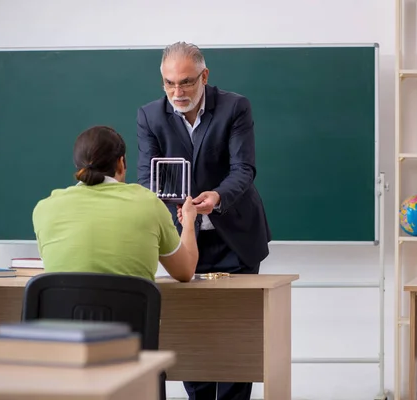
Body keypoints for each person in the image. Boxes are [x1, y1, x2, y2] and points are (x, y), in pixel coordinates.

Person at [136, 42, 271, 400]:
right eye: (168, 84)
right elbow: (145, 179)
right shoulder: (150, 116)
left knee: (237, 335)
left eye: (185, 83)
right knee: (192, 333)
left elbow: (244, 168)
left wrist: (218, 197)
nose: (176, 93)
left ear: (205, 76)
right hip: (185, 239)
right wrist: (177, 211)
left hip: (235, 236)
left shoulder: (234, 107)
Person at [32, 125, 198, 283]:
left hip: (64, 312)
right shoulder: (148, 204)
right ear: (121, 163)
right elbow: (185, 271)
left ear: (78, 165)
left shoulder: (44, 209)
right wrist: (189, 221)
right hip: (128, 312)